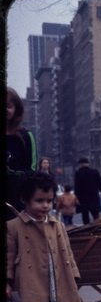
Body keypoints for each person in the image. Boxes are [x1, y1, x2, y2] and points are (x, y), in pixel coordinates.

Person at [6, 172, 82, 302]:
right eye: (39, 201)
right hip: (28, 283)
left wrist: (73, 276)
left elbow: (67, 253)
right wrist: (7, 282)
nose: (45, 206)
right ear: (25, 200)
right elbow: (8, 257)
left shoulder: (57, 225)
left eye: (49, 201)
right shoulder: (14, 227)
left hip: (53, 282)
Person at [6, 86, 38, 219]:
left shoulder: (26, 136)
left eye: (8, 106)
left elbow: (31, 171)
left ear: (16, 109)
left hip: (18, 205)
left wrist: (12, 172)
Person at [73, 156, 101, 225]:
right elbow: (100, 184)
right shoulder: (94, 172)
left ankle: (87, 229)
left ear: (80, 164)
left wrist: (76, 197)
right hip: (94, 197)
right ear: (88, 164)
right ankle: (97, 227)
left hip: (83, 198)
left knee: (85, 215)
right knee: (96, 215)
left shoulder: (78, 173)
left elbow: (77, 187)